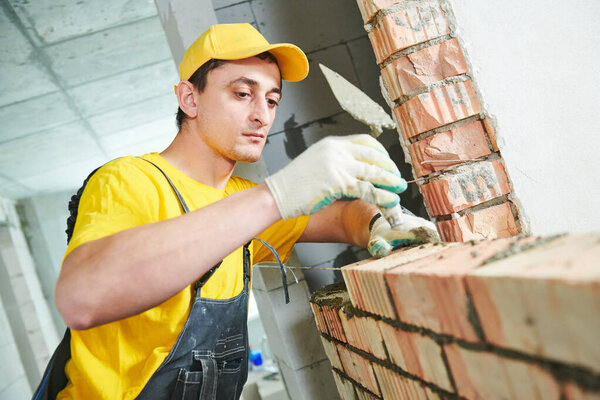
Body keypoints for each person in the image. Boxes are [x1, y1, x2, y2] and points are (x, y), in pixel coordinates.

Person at [49, 23, 437, 399]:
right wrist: (274, 196)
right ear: (189, 99)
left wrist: (379, 223)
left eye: (271, 100)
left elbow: (340, 217)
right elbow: (81, 299)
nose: (263, 116)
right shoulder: (129, 180)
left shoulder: (240, 197)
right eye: (241, 94)